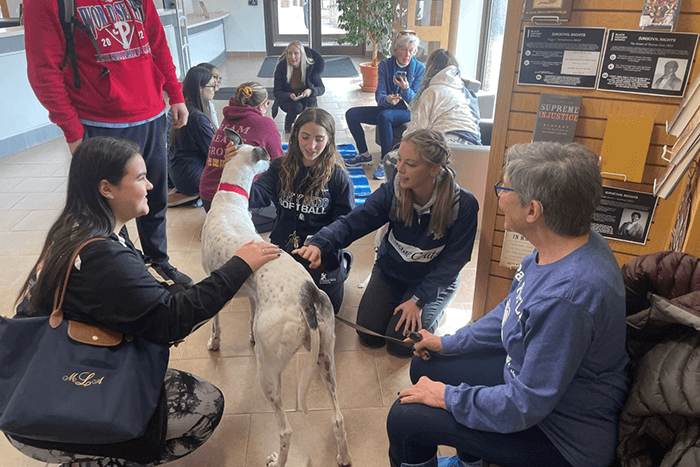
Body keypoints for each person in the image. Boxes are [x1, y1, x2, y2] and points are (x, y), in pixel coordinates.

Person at [8, 136, 281, 467]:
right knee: (205, 405)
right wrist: (240, 264)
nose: (151, 185)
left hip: (34, 378)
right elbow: (172, 319)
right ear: (106, 189)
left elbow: (148, 296)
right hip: (50, 403)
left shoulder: (82, 226)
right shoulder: (102, 256)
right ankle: (103, 454)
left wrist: (173, 301)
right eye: (139, 178)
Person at [387, 142, 629, 467]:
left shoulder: (569, 296)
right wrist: (448, 342)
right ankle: (470, 462)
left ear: (532, 210)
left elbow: (524, 406)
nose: (499, 197)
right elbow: (511, 311)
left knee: (405, 417)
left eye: (505, 188)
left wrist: (446, 397)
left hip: (561, 436)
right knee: (426, 364)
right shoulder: (561, 243)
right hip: (535, 392)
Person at [23, 0, 194, 288]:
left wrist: (175, 93)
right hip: (100, 122)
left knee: (155, 199)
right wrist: (72, 130)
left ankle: (158, 260)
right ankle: (128, 269)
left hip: (151, 115)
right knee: (109, 210)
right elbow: (43, 70)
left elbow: (156, 41)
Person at [294, 129, 478, 355]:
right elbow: (355, 221)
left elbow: (454, 261)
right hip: (391, 271)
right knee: (368, 333)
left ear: (434, 168)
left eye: (410, 163)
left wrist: (419, 300)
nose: (399, 168)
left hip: (430, 281)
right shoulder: (393, 191)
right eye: (399, 159)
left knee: (400, 345)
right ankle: (405, 302)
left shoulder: (464, 205)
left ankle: (435, 308)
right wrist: (320, 243)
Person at [226, 107, 355, 314]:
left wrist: (325, 248)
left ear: (330, 140)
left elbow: (346, 223)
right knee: (281, 304)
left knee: (326, 310)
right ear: (295, 135)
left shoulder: (338, 178)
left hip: (322, 251)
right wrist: (237, 166)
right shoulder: (279, 167)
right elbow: (254, 196)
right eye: (305, 137)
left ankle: (343, 263)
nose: (311, 146)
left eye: (319, 139)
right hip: (285, 249)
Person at [384, 49, 481, 180]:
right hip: (475, 153)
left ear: (430, 69)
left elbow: (417, 132)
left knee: (390, 161)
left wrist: (403, 148)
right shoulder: (468, 94)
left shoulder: (431, 92)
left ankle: (401, 199)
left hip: (445, 149)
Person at [200, 82, 284, 232]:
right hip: (233, 201)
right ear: (261, 106)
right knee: (283, 214)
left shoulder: (228, 118)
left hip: (208, 199)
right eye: (268, 104)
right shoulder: (265, 124)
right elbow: (280, 163)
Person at [344, 30, 425, 180]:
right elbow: (379, 94)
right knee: (351, 114)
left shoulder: (419, 68)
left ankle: (385, 161)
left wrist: (406, 89)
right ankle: (364, 154)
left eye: (411, 51)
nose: (407, 54)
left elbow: (416, 102)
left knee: (384, 116)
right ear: (395, 50)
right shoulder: (385, 65)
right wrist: (387, 99)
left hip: (406, 111)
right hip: (387, 107)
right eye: (403, 50)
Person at [167, 66, 218, 207]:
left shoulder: (184, 110)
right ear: (200, 89)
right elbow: (212, 153)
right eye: (212, 86)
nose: (215, 89)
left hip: (178, 175)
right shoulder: (197, 117)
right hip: (192, 179)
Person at [272, 41, 325, 133]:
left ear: (302, 55)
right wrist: (289, 95)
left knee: (311, 100)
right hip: (287, 99)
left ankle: (313, 122)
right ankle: (288, 124)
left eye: (296, 53)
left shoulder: (310, 68)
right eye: (290, 53)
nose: (292, 57)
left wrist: (310, 91)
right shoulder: (281, 68)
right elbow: (277, 92)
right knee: (296, 106)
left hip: (305, 96)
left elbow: (321, 88)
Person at [196, 62, 223, 129]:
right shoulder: (205, 106)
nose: (218, 81)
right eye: (215, 77)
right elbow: (216, 131)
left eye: (218, 77)